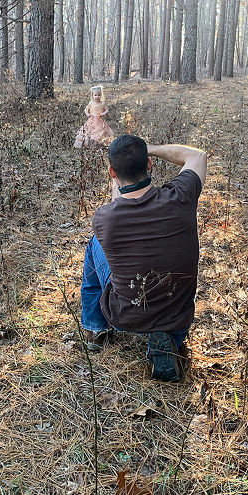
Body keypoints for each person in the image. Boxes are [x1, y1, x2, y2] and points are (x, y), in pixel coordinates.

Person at [79, 134, 207, 382]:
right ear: (149, 164)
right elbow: (197, 156)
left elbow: (121, 207)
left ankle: (95, 328)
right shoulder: (181, 196)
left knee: (94, 244)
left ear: (111, 172)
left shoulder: (104, 219)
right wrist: (151, 149)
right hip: (177, 315)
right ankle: (166, 340)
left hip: (124, 316)